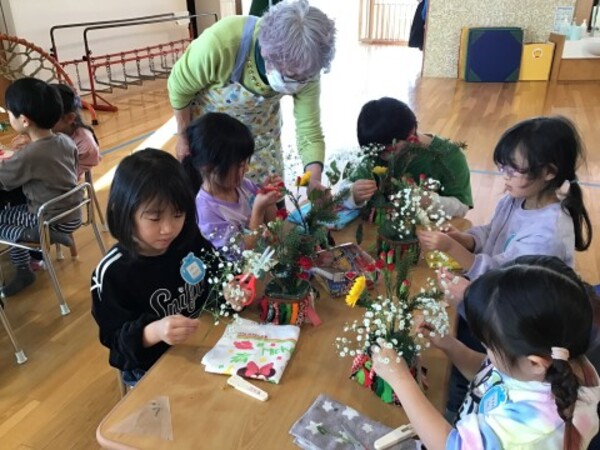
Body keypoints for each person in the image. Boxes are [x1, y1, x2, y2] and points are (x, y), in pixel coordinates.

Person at [372, 262, 600, 450]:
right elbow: (490, 376)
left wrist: (401, 380)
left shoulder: (531, 429)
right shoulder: (552, 358)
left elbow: (450, 446)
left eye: (488, 346)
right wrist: (451, 345)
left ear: (534, 363)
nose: (487, 352)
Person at [91, 149, 247, 386]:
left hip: (203, 344)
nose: (168, 229)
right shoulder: (114, 272)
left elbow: (218, 273)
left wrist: (230, 291)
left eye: (177, 214)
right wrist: (155, 331)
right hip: (150, 368)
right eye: (154, 218)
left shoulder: (188, 240)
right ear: (124, 212)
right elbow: (117, 344)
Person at [168, 0, 336, 190]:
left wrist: (313, 180)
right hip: (215, 147)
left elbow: (309, 130)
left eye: (304, 78)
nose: (298, 82)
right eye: (290, 76)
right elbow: (179, 88)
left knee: (266, 201)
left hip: (263, 145)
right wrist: (183, 136)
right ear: (266, 53)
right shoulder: (222, 43)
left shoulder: (307, 67)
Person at [418, 116, 592, 280]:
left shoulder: (546, 237)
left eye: (513, 169)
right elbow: (492, 232)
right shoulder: (516, 199)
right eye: (503, 167)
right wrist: (466, 240)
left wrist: (451, 247)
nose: (505, 176)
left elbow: (502, 279)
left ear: (549, 172)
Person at [0, 77, 81, 296]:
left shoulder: (31, 154)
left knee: (2, 219)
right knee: (12, 214)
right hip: (72, 213)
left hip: (47, 218)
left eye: (9, 113)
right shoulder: (65, 140)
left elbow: (4, 179)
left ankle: (25, 265)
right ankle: (34, 239)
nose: (8, 116)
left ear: (24, 120)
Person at [350, 97, 473, 217]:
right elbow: (345, 192)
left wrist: (429, 201)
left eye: (388, 150)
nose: (381, 157)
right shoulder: (374, 153)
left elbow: (462, 207)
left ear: (411, 138)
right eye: (375, 151)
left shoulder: (450, 156)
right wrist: (353, 195)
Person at [182, 112, 280, 253]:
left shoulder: (244, 185)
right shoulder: (206, 210)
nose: (247, 169)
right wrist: (258, 210)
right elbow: (244, 251)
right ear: (208, 167)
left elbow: (274, 226)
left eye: (245, 162)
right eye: (239, 165)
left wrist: (269, 199)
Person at [51, 83, 101, 180]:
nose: (40, 122)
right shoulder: (46, 130)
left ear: (69, 118)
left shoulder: (86, 145)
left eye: (49, 118)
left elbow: (66, 179)